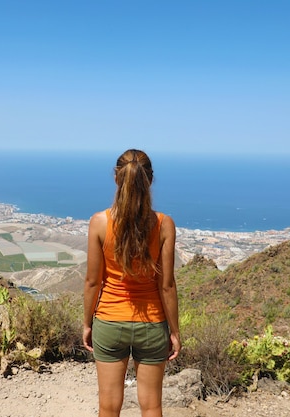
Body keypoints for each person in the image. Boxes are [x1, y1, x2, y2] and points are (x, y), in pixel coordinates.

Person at [83, 149, 181, 417]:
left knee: (108, 406)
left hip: (109, 323)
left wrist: (87, 323)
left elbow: (93, 282)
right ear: (150, 179)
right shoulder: (164, 224)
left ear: (116, 178)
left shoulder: (99, 222)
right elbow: (167, 285)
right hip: (152, 325)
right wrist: (174, 331)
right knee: (151, 406)